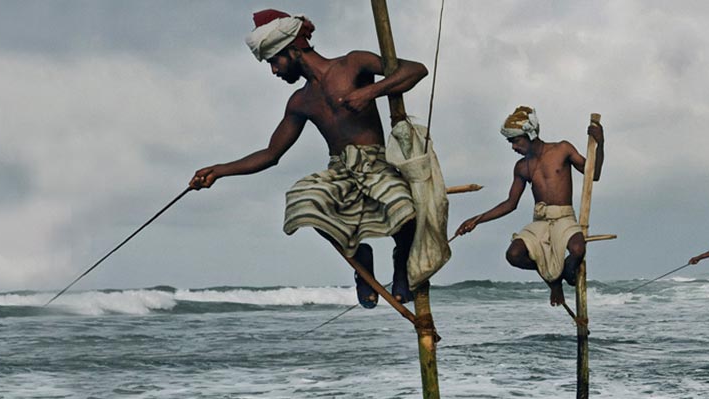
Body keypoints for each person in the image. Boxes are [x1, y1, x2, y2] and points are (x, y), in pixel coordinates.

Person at [188, 10, 429, 308]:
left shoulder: (353, 63)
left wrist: (370, 92)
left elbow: (416, 70)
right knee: (302, 200)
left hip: (376, 163)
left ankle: (401, 264)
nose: (274, 71)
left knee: (404, 209)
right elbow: (271, 154)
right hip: (340, 170)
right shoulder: (300, 102)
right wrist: (218, 171)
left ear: (293, 49)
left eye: (274, 61)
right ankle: (359, 261)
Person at [452, 106, 605, 306]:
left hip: (564, 217)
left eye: (515, 141)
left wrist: (600, 144)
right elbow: (510, 203)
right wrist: (476, 220)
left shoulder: (562, 149)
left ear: (530, 134)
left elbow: (594, 174)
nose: (513, 147)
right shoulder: (521, 167)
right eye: (511, 142)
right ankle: (554, 280)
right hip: (540, 220)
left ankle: (564, 272)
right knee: (513, 255)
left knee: (577, 249)